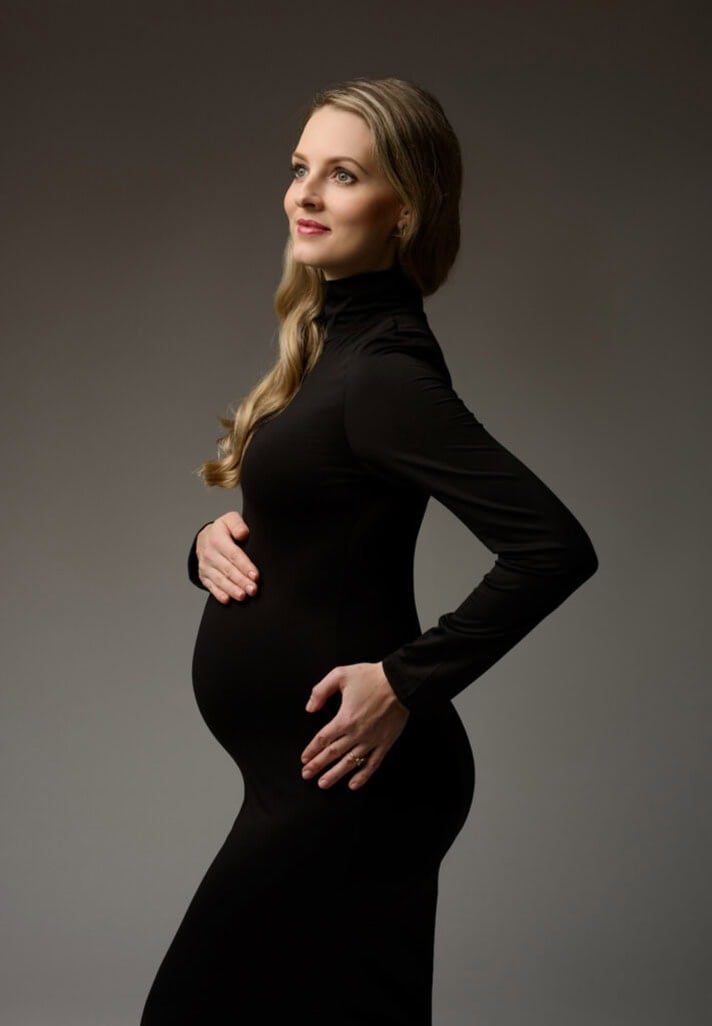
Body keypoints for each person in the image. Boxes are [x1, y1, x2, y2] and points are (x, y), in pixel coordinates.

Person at [139, 76, 598, 1025]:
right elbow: (321, 529)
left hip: (352, 791)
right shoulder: (333, 353)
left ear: (406, 210)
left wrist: (405, 680)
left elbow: (551, 547)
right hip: (309, 788)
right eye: (300, 168)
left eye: (341, 175)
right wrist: (204, 545)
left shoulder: (383, 373)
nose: (303, 194)